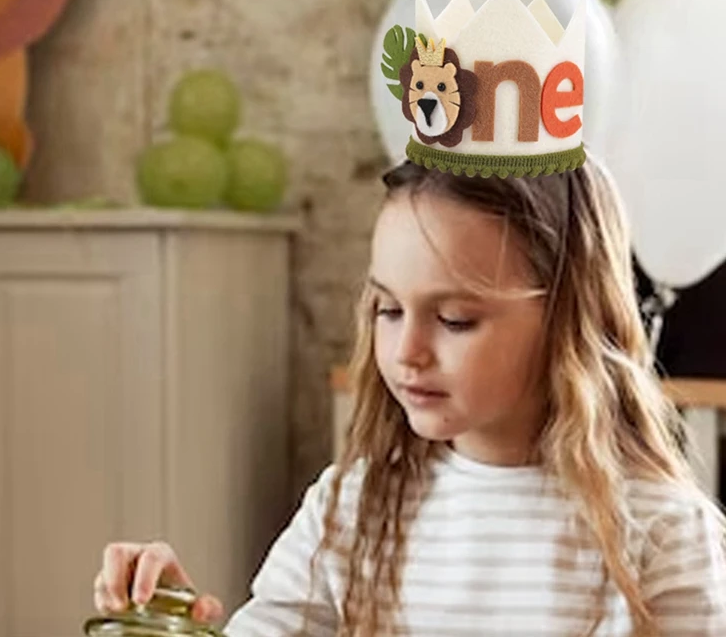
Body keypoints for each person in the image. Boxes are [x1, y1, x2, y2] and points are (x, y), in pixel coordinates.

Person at [93, 156, 726, 636]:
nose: (405, 351)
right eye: (388, 309)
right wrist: (168, 616)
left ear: (568, 321)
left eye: (454, 320)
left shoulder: (663, 533)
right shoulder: (349, 511)